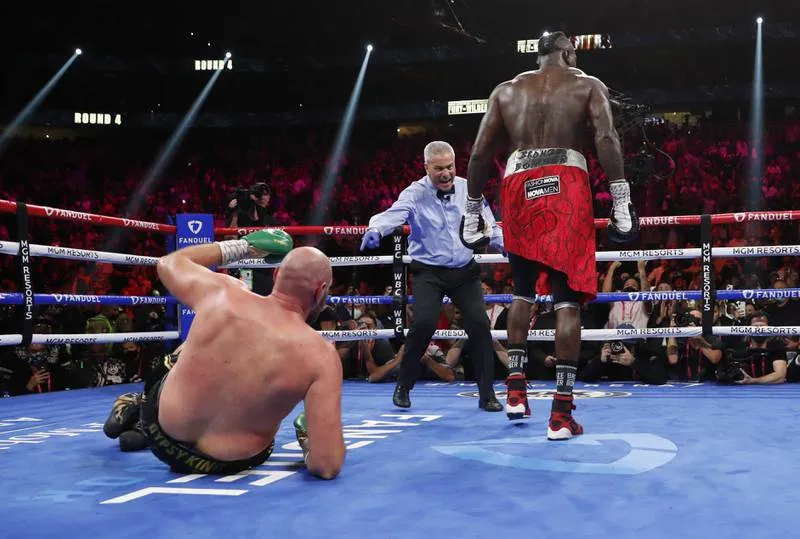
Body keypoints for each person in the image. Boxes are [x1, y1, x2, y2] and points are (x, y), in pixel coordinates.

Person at [462, 31, 638, 439]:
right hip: (565, 183)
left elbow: (480, 152)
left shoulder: (506, 90)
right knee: (567, 299)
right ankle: (560, 415)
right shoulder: (586, 84)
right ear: (567, 52)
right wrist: (621, 200)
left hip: (517, 185)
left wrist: (471, 210)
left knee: (522, 291)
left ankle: (515, 392)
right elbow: (606, 137)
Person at [103, 230, 346, 480]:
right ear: (320, 291)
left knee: (198, 343)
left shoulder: (224, 292)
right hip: (225, 462)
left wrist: (244, 246)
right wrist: (309, 441)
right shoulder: (321, 356)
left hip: (160, 431)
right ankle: (138, 425)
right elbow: (326, 465)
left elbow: (170, 263)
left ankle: (137, 413)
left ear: (275, 275)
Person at [360, 140, 504, 412]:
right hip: (429, 271)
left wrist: (502, 243)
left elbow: (488, 223)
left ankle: (487, 394)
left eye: (450, 167)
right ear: (426, 167)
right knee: (424, 324)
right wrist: (376, 230)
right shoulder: (415, 193)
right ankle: (404, 385)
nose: (446, 173)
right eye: (439, 169)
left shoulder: (468, 189)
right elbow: (393, 215)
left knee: (479, 325)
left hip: (464, 269)